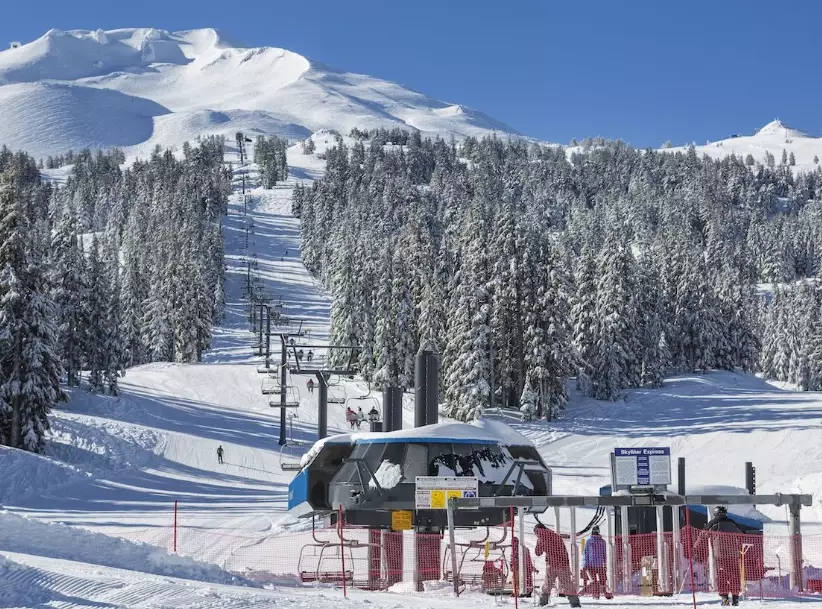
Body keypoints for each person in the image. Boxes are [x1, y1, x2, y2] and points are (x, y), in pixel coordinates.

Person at [705, 506, 745, 606]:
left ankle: (725, 598)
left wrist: (695, 548)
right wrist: (740, 547)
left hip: (720, 555)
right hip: (733, 555)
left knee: (722, 575)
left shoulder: (713, 523)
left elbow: (703, 535)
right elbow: (742, 534)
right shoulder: (732, 522)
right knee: (735, 576)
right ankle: (735, 598)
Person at [535, 523, 581, 607]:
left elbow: (538, 552)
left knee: (547, 584)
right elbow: (564, 551)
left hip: (551, 565)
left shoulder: (541, 538)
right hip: (562, 564)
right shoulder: (556, 536)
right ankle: (575, 603)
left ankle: (543, 602)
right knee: (567, 584)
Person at [582, 526, 610, 600]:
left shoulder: (589, 541)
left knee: (596, 580)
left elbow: (585, 553)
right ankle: (603, 593)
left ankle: (597, 594)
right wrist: (605, 563)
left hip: (592, 564)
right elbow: (604, 554)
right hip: (598, 564)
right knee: (602, 580)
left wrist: (585, 563)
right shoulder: (601, 541)